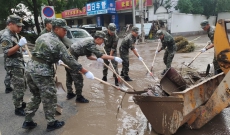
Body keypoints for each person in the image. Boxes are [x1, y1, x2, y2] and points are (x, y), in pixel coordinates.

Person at [22, 19, 95, 131]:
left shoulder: (43, 36)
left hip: (30, 68)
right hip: (42, 72)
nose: (66, 32)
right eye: (64, 29)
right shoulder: (57, 43)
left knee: (36, 95)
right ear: (56, 29)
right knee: (49, 98)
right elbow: (69, 60)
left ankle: (28, 120)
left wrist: (56, 59)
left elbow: (42, 52)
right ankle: (51, 123)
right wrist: (85, 71)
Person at [65, 31, 123, 103]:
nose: (103, 42)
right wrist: (114, 58)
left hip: (68, 56)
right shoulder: (91, 44)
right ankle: (79, 97)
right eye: (103, 40)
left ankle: (70, 93)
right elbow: (101, 55)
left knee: (69, 76)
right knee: (78, 78)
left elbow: (89, 56)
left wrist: (97, 59)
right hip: (70, 58)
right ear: (98, 39)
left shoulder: (90, 42)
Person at [0, 15, 27, 116]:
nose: (20, 28)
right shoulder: (6, 35)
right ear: (10, 24)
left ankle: (19, 101)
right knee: (19, 86)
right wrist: (19, 45)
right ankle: (18, 107)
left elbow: (14, 46)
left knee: (22, 84)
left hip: (18, 63)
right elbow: (7, 52)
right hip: (13, 65)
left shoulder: (14, 33)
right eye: (18, 26)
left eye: (21, 26)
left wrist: (22, 49)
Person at [0, 28, 13, 93]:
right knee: (9, 71)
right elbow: (5, 49)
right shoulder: (5, 34)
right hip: (8, 56)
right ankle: (7, 87)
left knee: (9, 71)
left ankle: (8, 86)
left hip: (8, 56)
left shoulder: (5, 32)